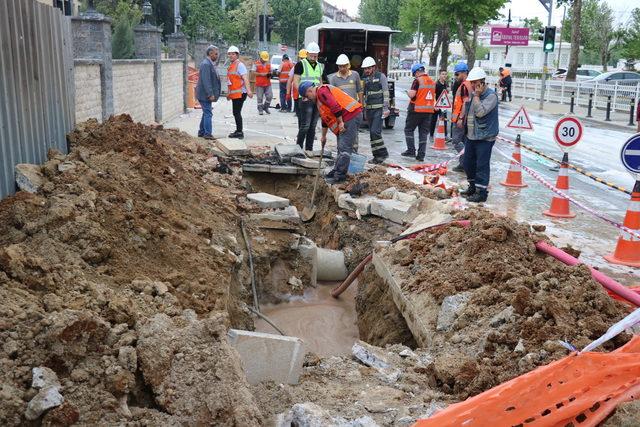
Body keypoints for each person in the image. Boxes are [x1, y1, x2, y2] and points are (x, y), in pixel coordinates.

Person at [299, 81, 363, 184]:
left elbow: (335, 106)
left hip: (350, 115)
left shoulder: (322, 91)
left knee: (344, 148)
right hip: (346, 117)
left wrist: (341, 122)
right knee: (340, 147)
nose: (309, 99)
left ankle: (340, 176)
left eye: (308, 96)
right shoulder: (319, 100)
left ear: (310, 91)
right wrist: (323, 136)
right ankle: (337, 170)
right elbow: (325, 119)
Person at [461, 67, 499, 203]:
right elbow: (470, 113)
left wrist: (476, 96)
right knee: (467, 162)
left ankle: (481, 192)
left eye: (475, 83)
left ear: (482, 83)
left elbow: (480, 112)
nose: (472, 86)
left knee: (481, 165)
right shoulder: (473, 95)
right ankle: (472, 186)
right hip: (471, 136)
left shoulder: (491, 96)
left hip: (485, 137)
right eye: (471, 83)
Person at [293, 42, 328, 151]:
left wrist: (322, 97)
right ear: (307, 53)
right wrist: (303, 94)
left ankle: (309, 149)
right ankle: (298, 148)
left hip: (316, 99)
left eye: (316, 55)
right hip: (305, 98)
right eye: (312, 55)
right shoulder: (300, 64)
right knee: (305, 125)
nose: (314, 57)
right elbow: (296, 82)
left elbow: (321, 83)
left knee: (313, 126)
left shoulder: (320, 66)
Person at [328, 54, 363, 151]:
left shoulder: (355, 75)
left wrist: (361, 106)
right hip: (341, 111)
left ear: (348, 65)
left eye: (344, 66)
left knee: (354, 133)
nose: (342, 68)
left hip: (354, 110)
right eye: (340, 66)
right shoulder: (334, 79)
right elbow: (332, 97)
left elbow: (360, 90)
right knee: (341, 131)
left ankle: (354, 153)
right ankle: (342, 152)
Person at [402, 64, 435, 162]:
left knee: (408, 129)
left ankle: (411, 151)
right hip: (428, 111)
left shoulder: (417, 81)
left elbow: (412, 94)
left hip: (416, 110)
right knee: (423, 133)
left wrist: (407, 92)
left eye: (414, 74)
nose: (414, 76)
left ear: (416, 72)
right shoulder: (432, 81)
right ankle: (421, 155)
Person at [361, 56, 390, 164]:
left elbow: (386, 93)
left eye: (368, 68)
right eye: (365, 69)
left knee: (375, 132)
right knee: (372, 134)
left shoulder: (381, 76)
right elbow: (364, 96)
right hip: (369, 110)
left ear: (373, 67)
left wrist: (386, 108)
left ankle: (383, 153)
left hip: (379, 110)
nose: (366, 70)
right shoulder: (365, 79)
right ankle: (376, 157)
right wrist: (364, 110)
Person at [227, 46, 253, 139]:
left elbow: (245, 78)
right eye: (229, 54)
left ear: (237, 55)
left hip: (240, 93)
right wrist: (229, 93)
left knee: (236, 112)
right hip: (236, 93)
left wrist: (249, 91)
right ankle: (238, 130)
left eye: (233, 54)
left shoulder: (239, 65)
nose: (231, 55)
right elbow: (230, 81)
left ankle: (239, 132)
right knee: (236, 112)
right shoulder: (232, 65)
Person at [195, 45, 221, 140]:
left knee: (206, 112)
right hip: (204, 94)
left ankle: (201, 132)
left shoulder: (209, 63)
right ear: (210, 53)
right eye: (216, 54)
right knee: (208, 113)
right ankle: (207, 133)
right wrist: (210, 94)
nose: (217, 56)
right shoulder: (206, 64)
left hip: (204, 94)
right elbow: (206, 81)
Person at [450, 62, 471, 172]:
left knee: (456, 141)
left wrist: (461, 118)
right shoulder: (469, 84)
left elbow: (465, 103)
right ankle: (465, 163)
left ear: (464, 73)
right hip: (466, 119)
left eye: (457, 74)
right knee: (465, 141)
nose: (456, 76)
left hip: (460, 119)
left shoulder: (464, 86)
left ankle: (464, 163)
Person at [287, 49, 307, 118]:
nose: (302, 60)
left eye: (303, 58)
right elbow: (290, 80)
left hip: (305, 94)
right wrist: (288, 93)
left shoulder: (309, 67)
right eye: (302, 58)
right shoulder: (295, 67)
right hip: (297, 93)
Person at [430, 69, 449, 139]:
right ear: (439, 75)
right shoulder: (436, 84)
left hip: (443, 105)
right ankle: (431, 135)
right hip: (436, 105)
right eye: (443, 74)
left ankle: (445, 136)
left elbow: (446, 94)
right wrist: (435, 104)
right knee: (433, 120)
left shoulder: (446, 84)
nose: (444, 75)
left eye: (445, 74)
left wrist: (447, 90)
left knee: (444, 120)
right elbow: (434, 95)